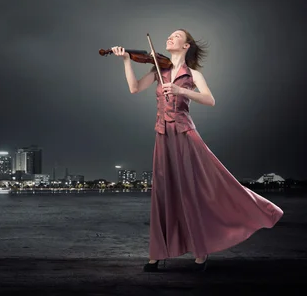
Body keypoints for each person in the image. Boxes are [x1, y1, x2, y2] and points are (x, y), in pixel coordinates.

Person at [111, 29, 283, 272]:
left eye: (176, 35)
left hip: (185, 134)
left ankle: (202, 251)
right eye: (168, 35)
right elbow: (134, 88)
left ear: (186, 46)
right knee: (163, 192)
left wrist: (181, 90)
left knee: (196, 189)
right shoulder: (158, 70)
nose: (169, 37)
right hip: (163, 135)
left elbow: (209, 100)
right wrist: (127, 62)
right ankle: (157, 254)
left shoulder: (193, 74)